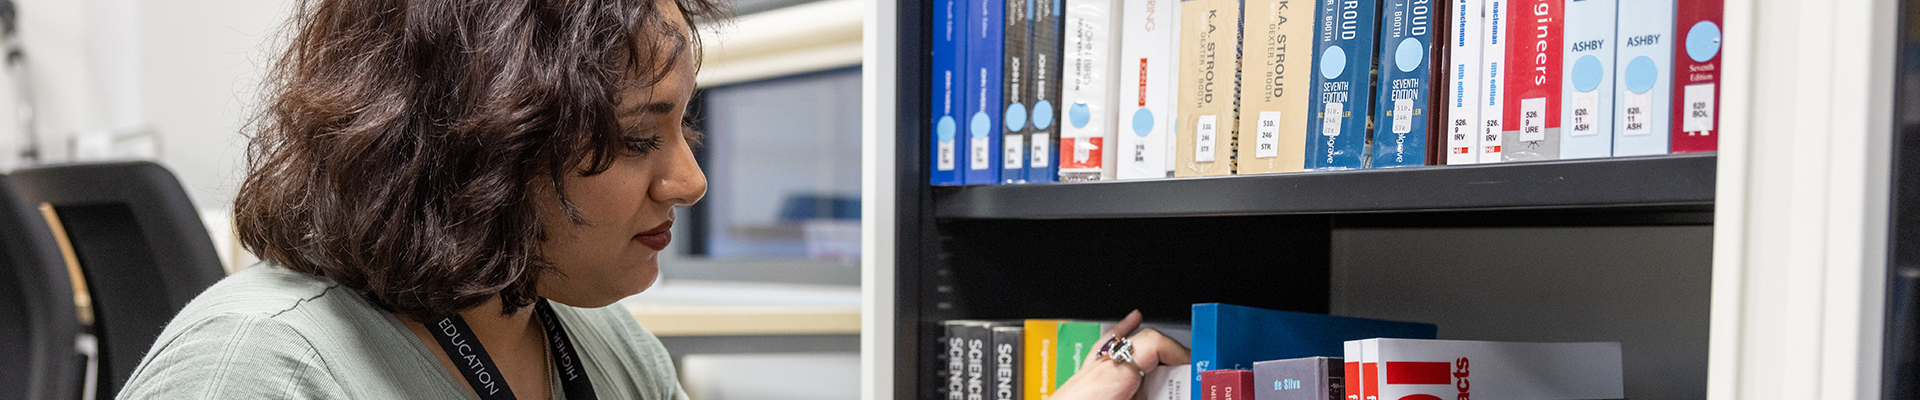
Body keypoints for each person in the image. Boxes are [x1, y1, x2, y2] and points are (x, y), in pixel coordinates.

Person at [114, 0, 1189, 398]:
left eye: (684, 124)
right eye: (639, 139)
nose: (691, 179)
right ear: (482, 146)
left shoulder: (600, 346)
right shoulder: (252, 372)